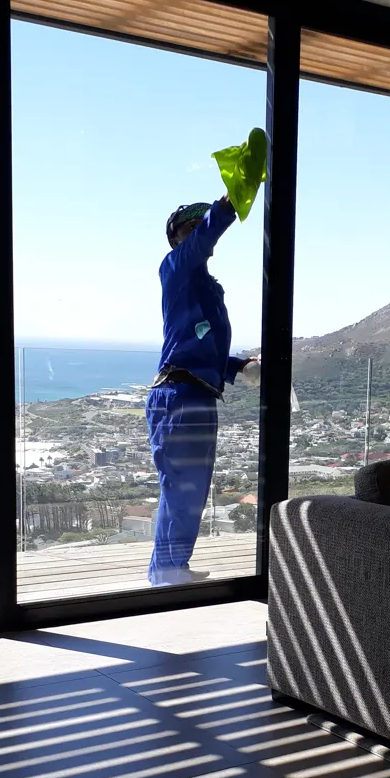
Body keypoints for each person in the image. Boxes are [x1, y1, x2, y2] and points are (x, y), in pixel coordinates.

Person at [147, 196, 254, 585]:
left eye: (201, 222)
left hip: (197, 395)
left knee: (190, 490)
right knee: (182, 488)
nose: (198, 230)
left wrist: (237, 366)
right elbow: (202, 241)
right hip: (179, 396)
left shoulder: (205, 287)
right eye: (189, 227)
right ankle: (165, 573)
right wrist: (225, 207)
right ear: (176, 240)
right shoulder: (174, 267)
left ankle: (174, 567)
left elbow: (200, 347)